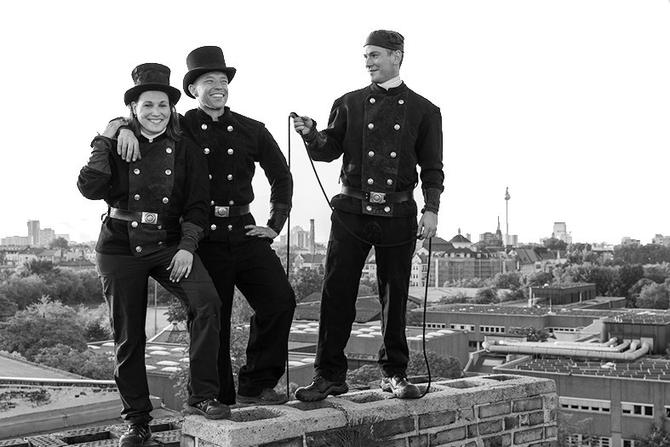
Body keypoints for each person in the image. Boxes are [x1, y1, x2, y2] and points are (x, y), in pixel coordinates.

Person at [117, 46, 295, 406]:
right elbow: (142, 116)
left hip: (244, 230)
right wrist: (120, 128)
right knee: (215, 317)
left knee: (280, 301)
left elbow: (281, 176)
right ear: (192, 89)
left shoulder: (252, 129)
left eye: (223, 80)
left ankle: (257, 383)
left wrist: (274, 224)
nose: (219, 86)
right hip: (200, 235)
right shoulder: (179, 127)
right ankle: (219, 398)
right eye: (209, 80)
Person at [77, 63, 230, 447]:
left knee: (207, 303)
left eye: (163, 105)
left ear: (171, 107)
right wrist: (105, 138)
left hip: (168, 243)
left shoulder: (186, 149)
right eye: (147, 105)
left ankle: (202, 395)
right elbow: (89, 188)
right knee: (129, 335)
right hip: (119, 246)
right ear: (133, 108)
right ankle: (137, 420)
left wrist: (187, 247)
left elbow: (198, 205)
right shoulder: (116, 142)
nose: (156, 112)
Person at [292, 30, 444, 401]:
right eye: (365, 56)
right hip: (351, 212)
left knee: (395, 296)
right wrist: (312, 134)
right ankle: (328, 375)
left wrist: (431, 209)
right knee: (336, 293)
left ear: (397, 56)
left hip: (399, 213)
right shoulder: (348, 103)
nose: (368, 62)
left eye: (375, 55)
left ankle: (395, 373)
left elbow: (432, 168)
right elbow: (328, 150)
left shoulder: (425, 110)